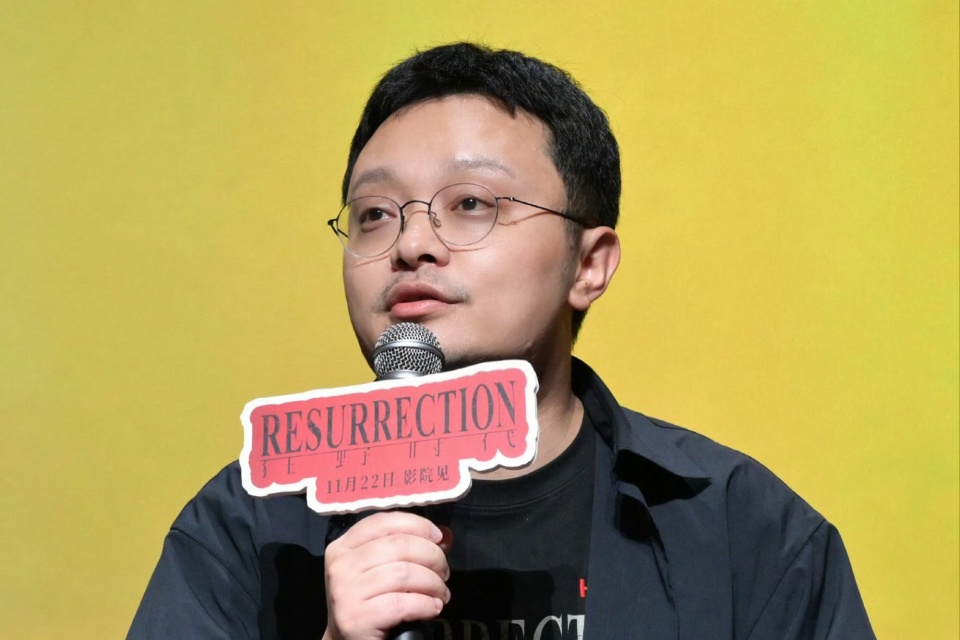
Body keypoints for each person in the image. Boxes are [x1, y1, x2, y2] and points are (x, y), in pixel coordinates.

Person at [128, 42, 875, 640]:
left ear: (589, 264)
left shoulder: (743, 530)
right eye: (374, 214)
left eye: (471, 203)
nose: (411, 244)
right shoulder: (249, 528)